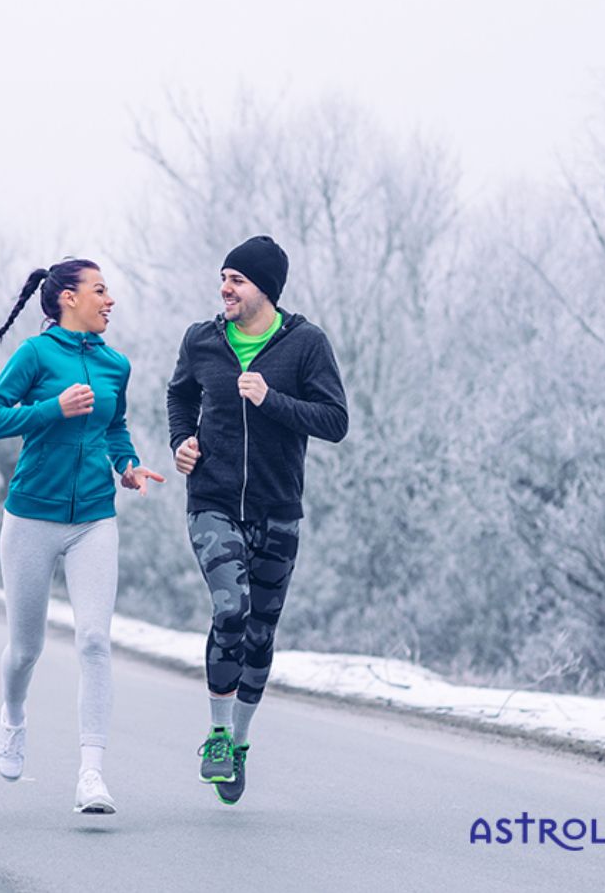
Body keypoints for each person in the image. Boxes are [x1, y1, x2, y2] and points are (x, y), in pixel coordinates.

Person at [0, 258, 164, 814]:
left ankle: (92, 775)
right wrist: (52, 408)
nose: (110, 300)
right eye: (100, 291)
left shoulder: (115, 364)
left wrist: (127, 464)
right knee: (26, 648)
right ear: (68, 299)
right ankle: (13, 717)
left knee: (95, 641)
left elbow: (114, 426)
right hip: (31, 517)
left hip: (94, 519)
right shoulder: (35, 354)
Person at [166, 235, 348, 805]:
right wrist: (181, 442)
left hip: (277, 509)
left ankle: (240, 744)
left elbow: (334, 419)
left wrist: (272, 399)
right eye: (223, 277)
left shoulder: (305, 345)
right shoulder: (202, 340)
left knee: (262, 633)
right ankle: (217, 736)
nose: (225, 288)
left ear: (264, 289)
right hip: (213, 500)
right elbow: (179, 397)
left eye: (236, 280)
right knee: (231, 608)